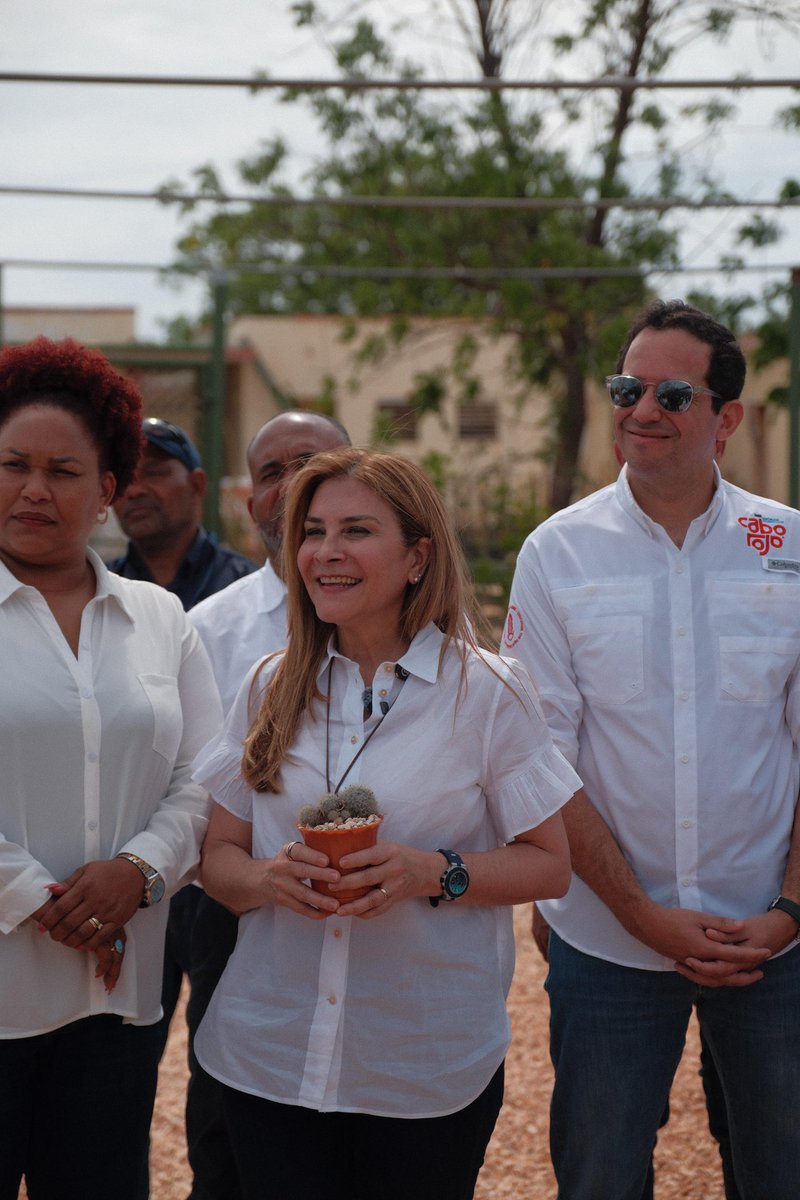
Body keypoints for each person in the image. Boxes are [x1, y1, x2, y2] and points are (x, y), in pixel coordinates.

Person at [191, 447, 579, 1200]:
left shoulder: (490, 692)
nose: (326, 552)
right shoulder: (268, 684)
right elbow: (219, 859)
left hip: (423, 1064)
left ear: (416, 557)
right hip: (269, 1055)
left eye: (356, 531)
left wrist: (432, 872)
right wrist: (270, 880)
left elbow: (548, 864)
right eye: (312, 531)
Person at [503, 299, 800, 1200]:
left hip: (775, 942)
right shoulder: (558, 553)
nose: (642, 411)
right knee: (598, 1177)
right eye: (628, 388)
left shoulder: (785, 547)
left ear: (728, 418)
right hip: (608, 943)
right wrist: (639, 915)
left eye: (674, 393)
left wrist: (791, 909)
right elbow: (539, 759)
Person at [0, 337, 222, 1200]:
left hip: (116, 1002)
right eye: (13, 463)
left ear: (107, 491)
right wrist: (44, 903)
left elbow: (208, 775)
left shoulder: (162, 619)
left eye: (63, 470)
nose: (32, 488)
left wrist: (140, 871)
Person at [182, 410, 350, 1200]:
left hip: (380, 897)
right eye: (270, 472)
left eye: (308, 462)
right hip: (232, 902)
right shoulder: (206, 630)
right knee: (230, 1123)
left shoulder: (421, 624)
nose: (287, 485)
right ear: (250, 499)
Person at [108, 416, 257, 610]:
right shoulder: (97, 590)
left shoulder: (246, 588)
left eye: (154, 473)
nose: (134, 491)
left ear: (196, 485)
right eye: (125, 479)